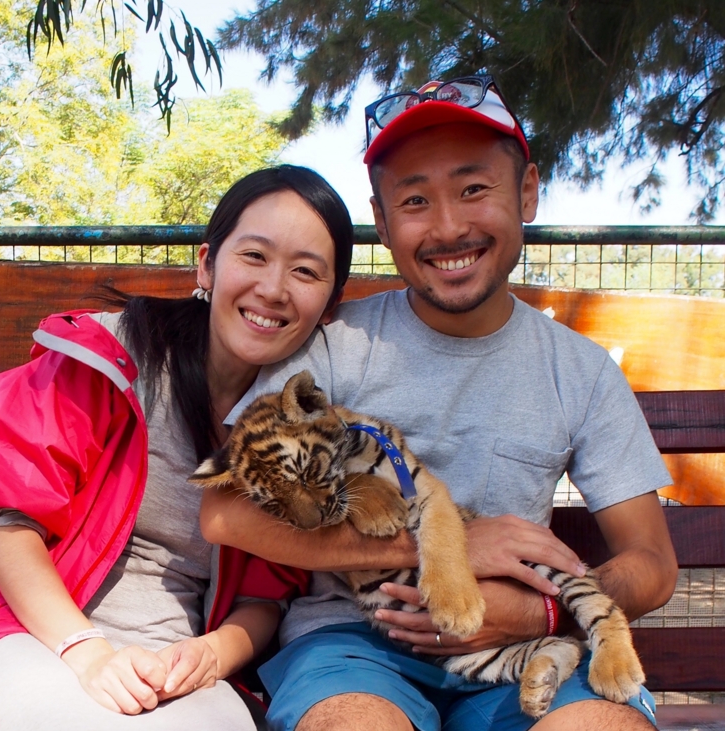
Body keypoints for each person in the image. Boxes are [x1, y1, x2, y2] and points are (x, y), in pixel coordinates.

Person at [201, 76, 679, 731]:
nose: (449, 226)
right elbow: (228, 514)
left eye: (473, 188)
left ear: (527, 191)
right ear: (384, 221)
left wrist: (541, 610)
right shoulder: (334, 348)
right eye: (416, 199)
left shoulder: (580, 369)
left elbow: (651, 563)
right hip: (353, 647)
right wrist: (446, 546)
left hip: (523, 649)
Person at [0, 165, 356, 731]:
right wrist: (88, 651)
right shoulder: (104, 362)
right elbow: (9, 524)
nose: (273, 288)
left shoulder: (303, 427)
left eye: (304, 271)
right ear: (207, 263)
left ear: (329, 303)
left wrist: (212, 656)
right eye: (254, 256)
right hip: (40, 635)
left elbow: (265, 599)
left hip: (177, 668)